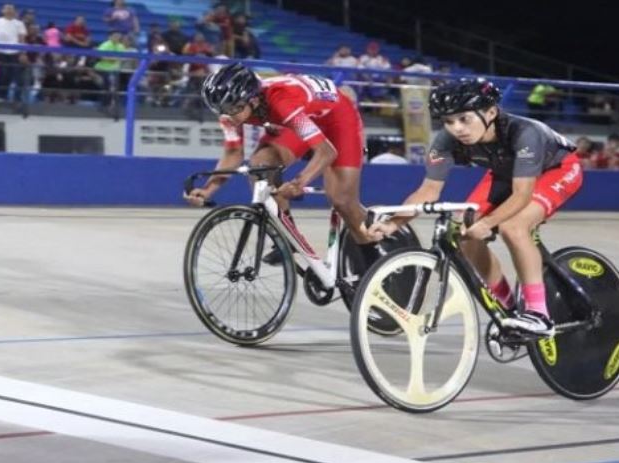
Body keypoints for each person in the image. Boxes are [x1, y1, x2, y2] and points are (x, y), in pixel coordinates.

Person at [367, 78, 583, 337]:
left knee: (513, 228)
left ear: (490, 112)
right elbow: (428, 191)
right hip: (504, 172)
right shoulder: (445, 141)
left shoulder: (525, 133)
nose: (456, 128)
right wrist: (394, 223)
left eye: (464, 119)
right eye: (448, 121)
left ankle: (539, 314)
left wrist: (488, 223)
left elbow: (522, 194)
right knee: (464, 234)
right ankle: (508, 310)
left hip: (557, 170)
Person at [184, 63, 381, 265]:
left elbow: (326, 152)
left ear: (252, 99)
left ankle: (375, 261)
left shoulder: (281, 102)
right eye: (222, 111)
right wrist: (208, 190)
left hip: (337, 118)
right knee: (260, 166)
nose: (229, 117)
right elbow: (234, 153)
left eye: (234, 109)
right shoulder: (230, 111)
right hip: (298, 117)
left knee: (341, 201)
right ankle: (286, 238)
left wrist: (299, 182)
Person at [0, 4, 27, 102]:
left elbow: (21, 39)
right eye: (7, 8)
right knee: (2, 74)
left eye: (11, 9)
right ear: (2, 10)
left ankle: (15, 98)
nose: (9, 10)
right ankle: (0, 96)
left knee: (14, 75)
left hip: (14, 52)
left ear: (15, 11)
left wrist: (23, 53)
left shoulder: (19, 23)